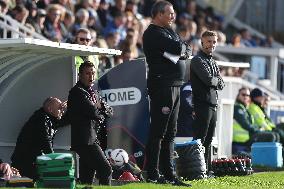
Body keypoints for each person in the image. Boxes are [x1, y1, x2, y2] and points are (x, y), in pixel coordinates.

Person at [142, 0, 191, 186]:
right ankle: (153, 174)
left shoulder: (169, 31)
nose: (173, 17)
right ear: (159, 14)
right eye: (170, 13)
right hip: (163, 86)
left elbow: (187, 47)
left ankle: (169, 174)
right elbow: (180, 48)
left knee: (171, 133)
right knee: (159, 132)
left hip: (175, 85)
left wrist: (182, 48)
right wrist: (182, 49)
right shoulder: (153, 33)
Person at [67, 61, 113, 185]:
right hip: (85, 141)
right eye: (87, 73)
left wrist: (101, 108)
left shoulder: (94, 93)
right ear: (80, 75)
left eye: (93, 73)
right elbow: (94, 112)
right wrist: (100, 109)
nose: (91, 76)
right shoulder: (76, 92)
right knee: (106, 169)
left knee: (87, 177)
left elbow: (110, 111)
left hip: (93, 139)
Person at [190, 30, 225, 172]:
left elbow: (221, 83)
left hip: (212, 104)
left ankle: (206, 169)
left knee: (209, 139)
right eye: (209, 41)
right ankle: (195, 169)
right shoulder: (198, 60)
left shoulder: (212, 60)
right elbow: (208, 79)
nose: (212, 44)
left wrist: (215, 80)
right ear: (202, 42)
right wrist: (215, 80)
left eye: (214, 42)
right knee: (200, 139)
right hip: (202, 103)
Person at [11, 97, 68, 179]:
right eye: (59, 109)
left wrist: (70, 106)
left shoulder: (48, 118)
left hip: (29, 160)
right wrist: (54, 161)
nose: (62, 111)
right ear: (50, 109)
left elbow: (64, 120)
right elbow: (45, 141)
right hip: (26, 162)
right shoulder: (41, 119)